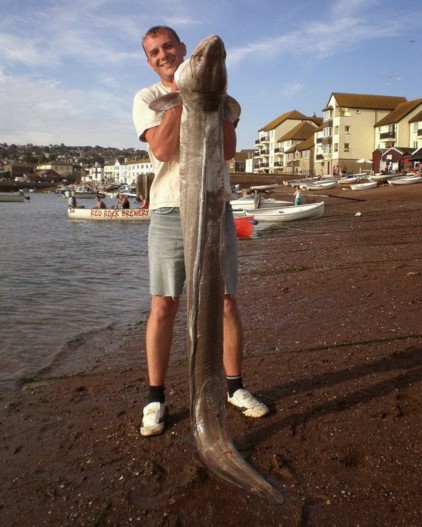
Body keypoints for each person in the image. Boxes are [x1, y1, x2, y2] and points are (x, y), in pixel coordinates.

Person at [133, 25, 269, 437]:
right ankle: (156, 397)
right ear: (149, 59)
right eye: (154, 51)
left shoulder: (225, 100)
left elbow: (227, 150)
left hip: (214, 206)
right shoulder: (148, 99)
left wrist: (215, 100)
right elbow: (160, 149)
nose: (162, 55)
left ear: (183, 49)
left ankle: (234, 388)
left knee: (226, 301)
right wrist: (183, 98)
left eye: (168, 47)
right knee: (164, 305)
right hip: (169, 209)